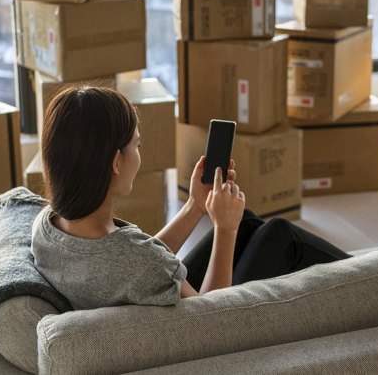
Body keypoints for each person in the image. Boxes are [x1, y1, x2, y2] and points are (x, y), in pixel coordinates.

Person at [31, 85, 349, 311]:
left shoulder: (47, 226)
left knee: (249, 223)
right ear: (116, 163)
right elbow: (211, 318)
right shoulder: (139, 262)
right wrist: (224, 228)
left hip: (142, 296)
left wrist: (196, 206)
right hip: (204, 322)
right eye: (137, 146)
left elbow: (130, 262)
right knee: (280, 235)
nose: (139, 156)